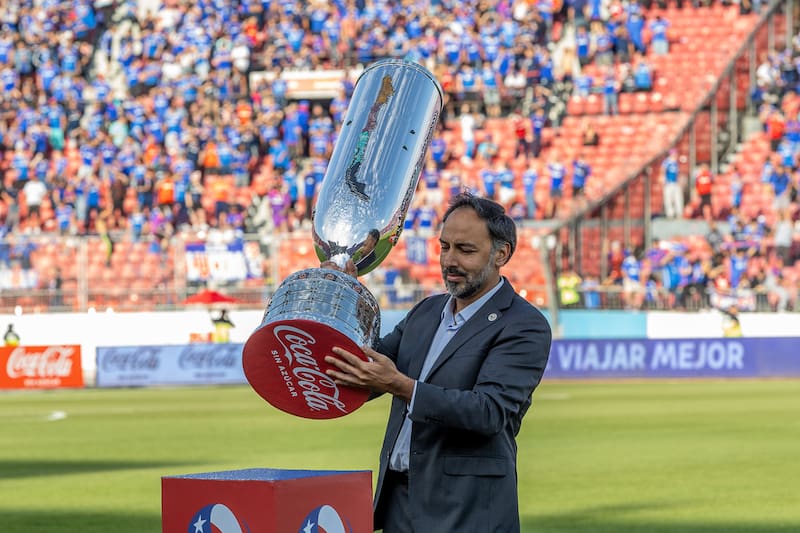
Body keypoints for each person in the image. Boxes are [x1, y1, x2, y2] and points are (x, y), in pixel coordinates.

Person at [323, 192, 552, 533]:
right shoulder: (426, 312)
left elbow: (488, 411)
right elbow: (362, 369)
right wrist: (341, 293)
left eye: (466, 250)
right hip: (398, 505)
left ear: (502, 254)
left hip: (467, 511)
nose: (450, 260)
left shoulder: (524, 324)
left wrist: (399, 385)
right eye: (445, 247)